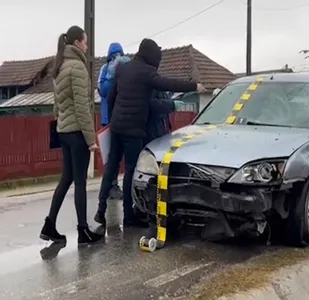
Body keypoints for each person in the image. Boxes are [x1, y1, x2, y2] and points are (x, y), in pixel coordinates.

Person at [94, 38, 206, 227]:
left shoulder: (124, 68)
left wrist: (113, 120)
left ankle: (100, 210)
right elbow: (169, 84)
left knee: (111, 167)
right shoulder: (147, 73)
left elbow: (111, 95)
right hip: (133, 130)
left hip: (117, 126)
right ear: (152, 56)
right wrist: (194, 86)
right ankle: (129, 216)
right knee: (130, 171)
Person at [40, 25, 103, 244]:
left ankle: (49, 225)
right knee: (79, 182)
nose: (87, 46)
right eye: (85, 42)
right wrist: (90, 139)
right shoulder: (77, 67)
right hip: (77, 133)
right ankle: (83, 231)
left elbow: (57, 104)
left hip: (64, 131)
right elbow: (83, 107)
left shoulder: (60, 65)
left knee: (66, 179)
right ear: (77, 42)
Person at [97, 43, 127, 200]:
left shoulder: (121, 68)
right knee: (111, 156)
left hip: (114, 118)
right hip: (110, 120)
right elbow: (103, 91)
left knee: (114, 155)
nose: (116, 57)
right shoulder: (105, 70)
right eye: (114, 54)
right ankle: (111, 185)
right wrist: (111, 75)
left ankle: (112, 186)